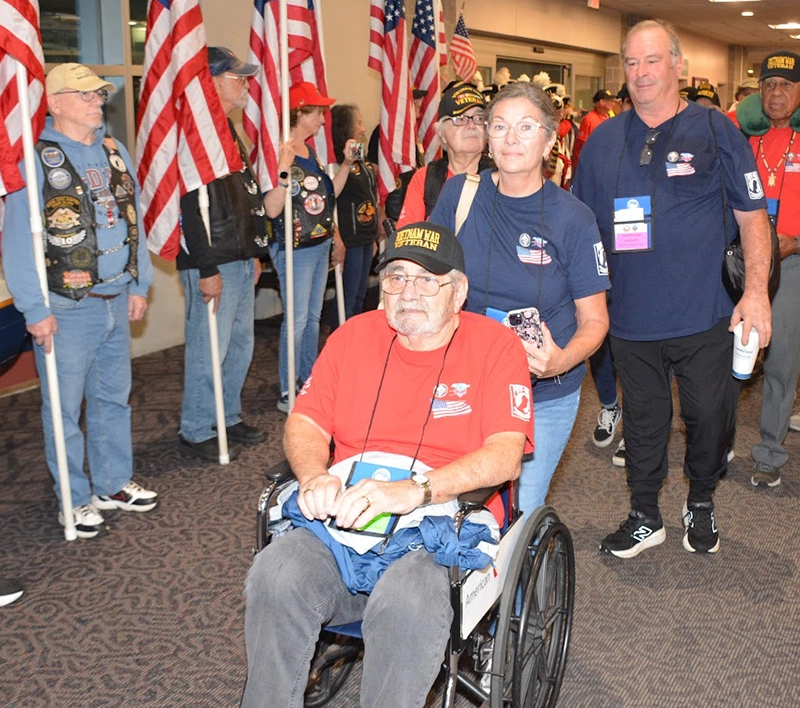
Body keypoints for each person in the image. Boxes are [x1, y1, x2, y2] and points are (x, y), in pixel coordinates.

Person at [240, 222, 533, 708]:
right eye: (396, 277)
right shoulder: (353, 336)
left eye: (426, 279)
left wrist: (417, 490)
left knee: (406, 601)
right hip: (348, 522)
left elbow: (505, 455)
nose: (408, 292)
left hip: (443, 522)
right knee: (275, 574)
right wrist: (314, 475)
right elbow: (306, 423)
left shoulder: (495, 346)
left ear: (457, 291)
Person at [572, 20, 772, 558]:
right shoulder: (602, 142)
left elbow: (753, 217)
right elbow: (579, 225)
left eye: (653, 60)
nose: (641, 73)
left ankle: (701, 500)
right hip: (630, 318)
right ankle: (644, 514)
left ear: (677, 65)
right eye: (632, 63)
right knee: (642, 424)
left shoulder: (714, 129)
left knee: (710, 417)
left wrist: (755, 294)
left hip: (706, 314)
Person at [430, 81, 610, 515]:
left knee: (519, 509)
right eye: (500, 126)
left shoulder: (574, 220)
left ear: (550, 140)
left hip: (543, 391)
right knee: (453, 500)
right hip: (465, 381)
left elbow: (596, 322)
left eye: (526, 127)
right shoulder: (459, 194)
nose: (511, 138)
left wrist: (562, 360)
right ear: (488, 137)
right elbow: (428, 274)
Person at [1, 63, 157, 538]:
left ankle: (111, 484)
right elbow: (17, 242)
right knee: (64, 409)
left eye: (99, 95)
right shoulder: (34, 160)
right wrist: (34, 309)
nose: (98, 102)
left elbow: (136, 223)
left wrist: (139, 284)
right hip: (66, 305)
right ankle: (72, 496)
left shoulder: (113, 151)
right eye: (86, 95)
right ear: (55, 102)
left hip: (114, 297)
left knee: (113, 399)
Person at [177, 47, 268, 461]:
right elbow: (188, 205)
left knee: (239, 344)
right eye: (238, 77)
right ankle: (197, 427)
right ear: (211, 82)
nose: (246, 85)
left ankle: (227, 415)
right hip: (211, 258)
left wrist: (251, 250)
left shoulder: (226, 130)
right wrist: (205, 265)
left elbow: (241, 196)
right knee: (208, 347)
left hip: (237, 254)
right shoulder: (195, 131)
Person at [737, 51, 800, 488]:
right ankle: (715, 440)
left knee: (780, 360)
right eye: (769, 85)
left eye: (786, 85)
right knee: (729, 353)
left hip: (792, 263)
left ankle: (769, 452)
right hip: (741, 263)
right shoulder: (744, 140)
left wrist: (794, 241)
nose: (777, 93)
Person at [264, 82, 347, 412]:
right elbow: (271, 208)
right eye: (317, 113)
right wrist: (283, 171)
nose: (323, 120)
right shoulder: (282, 152)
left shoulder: (311, 153)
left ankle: (307, 378)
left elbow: (327, 198)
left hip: (316, 242)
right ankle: (288, 389)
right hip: (293, 246)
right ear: (300, 113)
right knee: (296, 320)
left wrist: (346, 166)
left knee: (312, 318)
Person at [396, 82, 492, 227]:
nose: (472, 125)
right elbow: (407, 242)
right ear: (442, 133)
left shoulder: (502, 176)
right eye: (460, 119)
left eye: (479, 118)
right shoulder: (426, 178)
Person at [330, 104, 381, 320]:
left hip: (365, 238)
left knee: (361, 296)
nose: (362, 128)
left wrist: (373, 237)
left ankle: (355, 344)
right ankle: (340, 343)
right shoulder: (335, 160)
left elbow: (369, 195)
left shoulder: (361, 157)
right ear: (346, 127)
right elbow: (330, 196)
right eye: (358, 123)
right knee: (348, 297)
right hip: (348, 238)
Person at [572, 88, 615, 168]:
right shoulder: (589, 120)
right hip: (590, 166)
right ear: (602, 102)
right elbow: (582, 147)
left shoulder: (608, 117)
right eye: (610, 101)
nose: (613, 104)